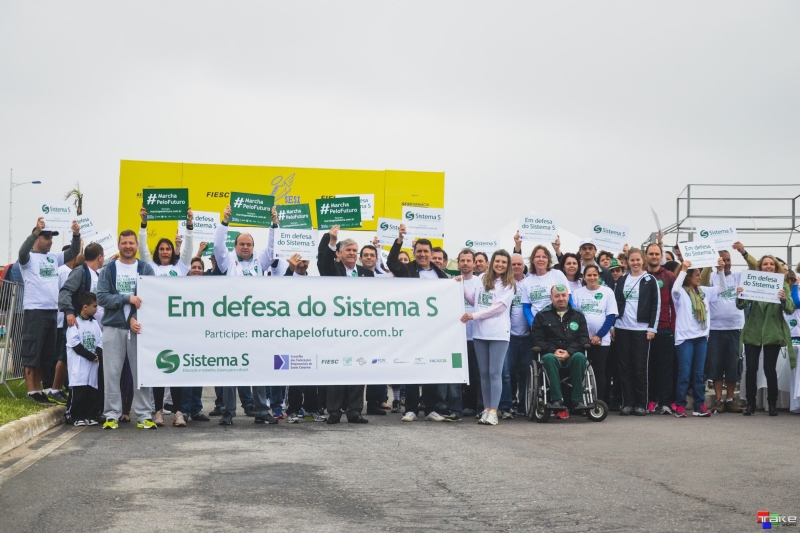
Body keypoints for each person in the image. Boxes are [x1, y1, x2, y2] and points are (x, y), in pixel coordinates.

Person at [212, 204, 277, 426]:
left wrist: (273, 224)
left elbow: (272, 248)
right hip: (232, 323)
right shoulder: (228, 261)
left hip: (256, 324)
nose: (246, 247)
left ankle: (261, 411)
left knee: (258, 367)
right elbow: (218, 246)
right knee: (231, 366)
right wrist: (225, 222)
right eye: (242, 244)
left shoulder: (261, 261)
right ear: (236, 246)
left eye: (249, 244)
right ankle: (228, 411)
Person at [388, 223, 451, 423]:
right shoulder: (407, 270)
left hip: (433, 330)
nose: (423, 254)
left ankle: (430, 408)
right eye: (419, 251)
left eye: (426, 251)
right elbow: (391, 262)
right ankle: (411, 409)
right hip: (412, 328)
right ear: (414, 252)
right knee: (413, 367)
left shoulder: (441, 276)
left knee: (431, 367)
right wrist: (399, 240)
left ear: (432, 253)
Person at [139, 207, 194, 426]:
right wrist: (144, 225)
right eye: (161, 249)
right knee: (160, 369)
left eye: (168, 249)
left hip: (177, 326)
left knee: (177, 369)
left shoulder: (180, 268)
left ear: (172, 251)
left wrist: (189, 225)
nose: (164, 252)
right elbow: (142, 249)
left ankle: (178, 412)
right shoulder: (149, 267)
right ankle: (158, 411)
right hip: (156, 327)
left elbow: (188, 249)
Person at [97, 229, 156, 430]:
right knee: (111, 373)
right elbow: (101, 298)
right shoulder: (108, 269)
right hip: (113, 327)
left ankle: (144, 416)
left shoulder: (146, 268)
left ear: (136, 246)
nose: (128, 246)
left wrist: (133, 317)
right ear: (119, 245)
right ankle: (111, 415)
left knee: (141, 373)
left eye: (131, 243)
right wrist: (125, 298)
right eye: (124, 243)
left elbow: (151, 299)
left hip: (139, 329)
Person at [18, 217, 81, 403]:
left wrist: (76, 235)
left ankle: (39, 390)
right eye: (46, 237)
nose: (50, 241)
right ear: (37, 238)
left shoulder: (54, 258)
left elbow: (74, 252)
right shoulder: (28, 259)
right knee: (32, 351)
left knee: (45, 354)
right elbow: (22, 252)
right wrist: (35, 231)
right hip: (34, 310)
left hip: (52, 311)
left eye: (51, 238)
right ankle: (31, 391)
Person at [318, 225, 372, 424]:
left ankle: (355, 411)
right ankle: (334, 411)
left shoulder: (367, 273)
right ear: (339, 254)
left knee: (358, 367)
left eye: (354, 250)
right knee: (337, 369)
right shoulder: (333, 269)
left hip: (359, 329)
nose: (351, 253)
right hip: (337, 329)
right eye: (348, 250)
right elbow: (324, 263)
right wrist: (331, 241)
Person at [461, 250, 516, 426]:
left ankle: (494, 411)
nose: (500, 264)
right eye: (497, 261)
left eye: (503, 262)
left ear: (507, 265)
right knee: (483, 374)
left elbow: (497, 309)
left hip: (498, 334)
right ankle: (486, 408)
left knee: (494, 373)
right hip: (479, 333)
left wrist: (473, 316)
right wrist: (460, 286)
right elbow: (473, 300)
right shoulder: (481, 279)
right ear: (491, 263)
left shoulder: (509, 285)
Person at [736, 255, 795, 416]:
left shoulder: (782, 284)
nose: (768, 266)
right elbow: (742, 305)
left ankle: (772, 403)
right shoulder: (752, 281)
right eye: (765, 264)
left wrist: (783, 299)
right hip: (753, 331)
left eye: (771, 264)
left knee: (769, 369)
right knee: (751, 369)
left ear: (775, 267)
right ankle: (750, 403)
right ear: (760, 267)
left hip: (772, 331)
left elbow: (790, 308)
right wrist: (740, 295)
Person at [701, 244, 756, 414]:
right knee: (716, 364)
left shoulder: (739, 276)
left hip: (736, 328)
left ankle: (731, 399)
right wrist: (711, 263)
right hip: (715, 328)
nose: (726, 263)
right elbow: (702, 282)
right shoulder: (711, 277)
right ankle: (719, 399)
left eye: (728, 260)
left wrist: (743, 252)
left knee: (733, 364)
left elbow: (755, 268)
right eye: (723, 260)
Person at [672, 258, 726, 418]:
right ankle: (680, 405)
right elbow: (675, 288)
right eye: (696, 274)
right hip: (685, 339)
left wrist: (721, 270)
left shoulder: (703, 291)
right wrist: (683, 268)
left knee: (698, 374)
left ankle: (698, 406)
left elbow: (723, 288)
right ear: (688, 276)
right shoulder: (680, 292)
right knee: (684, 373)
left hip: (701, 338)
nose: (699, 277)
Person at [612, 248, 660, 416]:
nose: (635, 263)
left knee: (640, 367)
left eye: (638, 259)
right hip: (622, 328)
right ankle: (628, 403)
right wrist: (613, 326)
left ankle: (641, 403)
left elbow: (656, 305)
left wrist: (652, 328)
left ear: (643, 260)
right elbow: (616, 304)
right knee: (625, 368)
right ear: (627, 261)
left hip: (641, 330)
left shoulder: (650, 280)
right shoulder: (623, 279)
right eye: (632, 260)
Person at [531, 284, 591, 420]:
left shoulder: (578, 316)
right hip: (551, 355)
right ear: (551, 298)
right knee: (549, 358)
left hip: (572, 356)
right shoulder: (542, 316)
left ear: (568, 297)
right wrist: (553, 351)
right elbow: (536, 339)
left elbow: (583, 338)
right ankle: (556, 400)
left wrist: (569, 352)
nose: (561, 298)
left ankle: (577, 400)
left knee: (580, 357)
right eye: (557, 296)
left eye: (563, 295)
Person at [572, 265, 618, 403]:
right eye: (589, 275)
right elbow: (575, 317)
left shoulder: (607, 292)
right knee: (582, 372)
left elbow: (610, 316)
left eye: (594, 275)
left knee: (599, 371)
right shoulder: (578, 293)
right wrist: (585, 338)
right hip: (582, 340)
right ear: (584, 277)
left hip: (601, 341)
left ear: (599, 276)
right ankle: (581, 401)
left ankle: (598, 402)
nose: (592, 278)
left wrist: (598, 336)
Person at [644, 243, 677, 415]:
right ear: (646, 256)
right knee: (648, 367)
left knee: (665, 367)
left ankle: (664, 402)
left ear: (661, 256)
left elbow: (674, 303)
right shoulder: (641, 276)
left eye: (657, 254)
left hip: (664, 327)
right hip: (645, 329)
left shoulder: (669, 276)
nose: (654, 257)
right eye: (651, 254)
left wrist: (672, 327)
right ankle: (650, 400)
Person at [498, 253, 530, 418]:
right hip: (509, 336)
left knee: (525, 372)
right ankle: (508, 404)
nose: (516, 267)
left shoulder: (529, 283)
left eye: (519, 264)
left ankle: (524, 405)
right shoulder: (504, 284)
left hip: (528, 336)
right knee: (507, 372)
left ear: (524, 266)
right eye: (514, 264)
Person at [65, 292, 102, 426]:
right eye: (94, 306)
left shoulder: (95, 323)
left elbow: (100, 339)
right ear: (85, 307)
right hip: (80, 364)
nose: (96, 309)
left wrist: (98, 352)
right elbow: (74, 343)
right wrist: (90, 356)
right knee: (79, 391)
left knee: (91, 391)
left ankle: (90, 414)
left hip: (93, 364)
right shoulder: (75, 323)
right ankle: (75, 415)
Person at [457, 249, 481, 418]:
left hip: (476, 334)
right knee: (460, 373)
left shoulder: (480, 282)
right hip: (457, 336)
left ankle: (475, 405)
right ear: (458, 263)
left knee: (475, 373)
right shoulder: (451, 281)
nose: (465, 263)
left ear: (474, 263)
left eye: (468, 260)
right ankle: (460, 405)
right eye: (462, 260)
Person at [520, 245, 570, 328]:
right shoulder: (527, 281)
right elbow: (526, 307)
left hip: (558, 324)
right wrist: (533, 324)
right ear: (532, 260)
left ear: (548, 260)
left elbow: (569, 298)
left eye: (544, 257)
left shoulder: (557, 274)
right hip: (538, 326)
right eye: (537, 257)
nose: (541, 259)